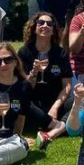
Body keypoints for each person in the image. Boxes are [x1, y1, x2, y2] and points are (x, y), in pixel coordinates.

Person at [18, 12, 70, 150]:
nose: (45, 25)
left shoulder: (61, 53)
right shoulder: (24, 52)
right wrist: (34, 73)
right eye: (41, 23)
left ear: (53, 30)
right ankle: (58, 126)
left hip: (54, 102)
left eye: (49, 23)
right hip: (33, 104)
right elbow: (24, 87)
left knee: (79, 101)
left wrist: (55, 107)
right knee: (20, 101)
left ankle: (50, 132)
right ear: (34, 28)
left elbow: (67, 86)